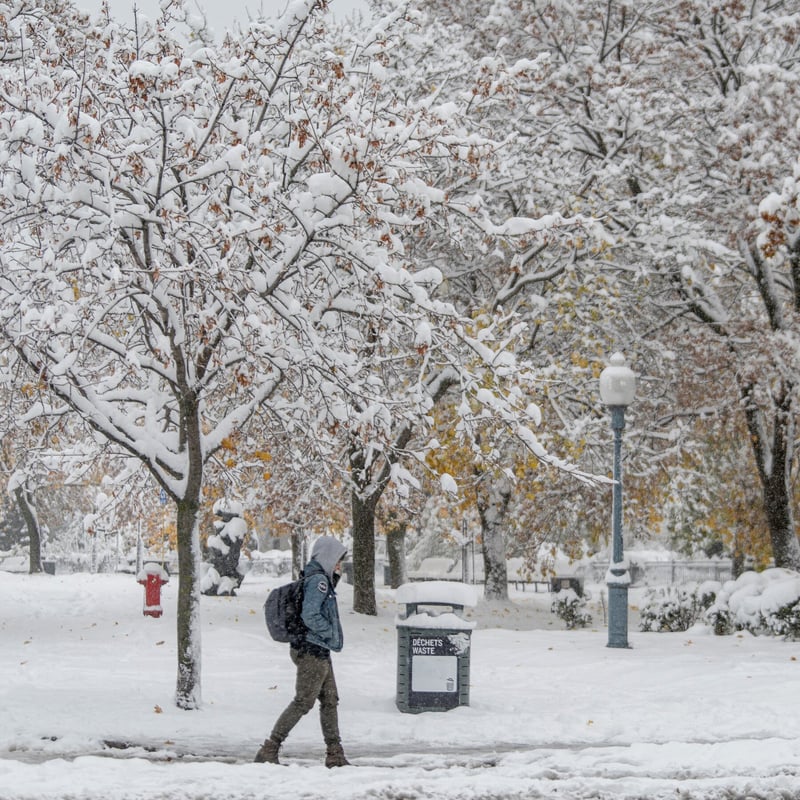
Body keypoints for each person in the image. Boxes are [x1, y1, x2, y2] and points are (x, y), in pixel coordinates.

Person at [254, 535, 350, 768]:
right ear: (328, 557)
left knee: (330, 700)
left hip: (318, 649)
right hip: (312, 650)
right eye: (338, 560)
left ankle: (335, 754)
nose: (339, 565)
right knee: (303, 701)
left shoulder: (319, 578)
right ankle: (270, 748)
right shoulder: (319, 582)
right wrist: (329, 632)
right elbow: (310, 615)